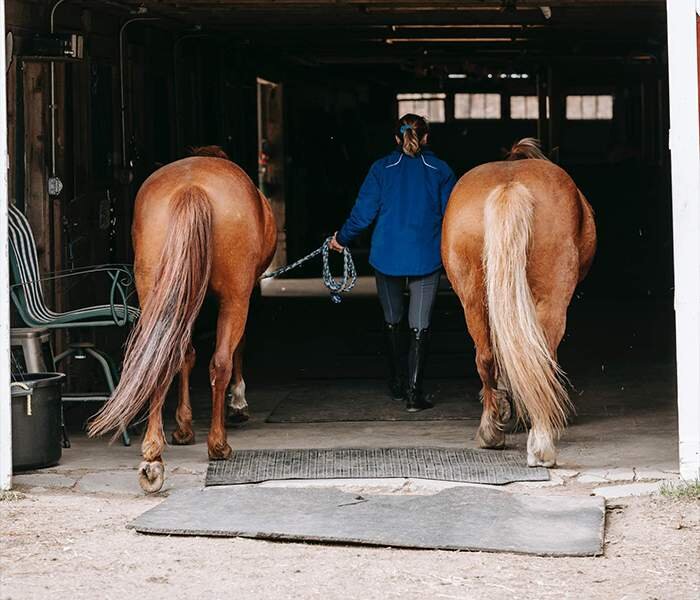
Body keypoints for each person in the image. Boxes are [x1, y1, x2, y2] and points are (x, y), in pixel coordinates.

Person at [329, 114, 456, 412]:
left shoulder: (380, 169)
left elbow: (363, 214)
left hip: (386, 257)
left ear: (397, 139)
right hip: (426, 257)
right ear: (425, 139)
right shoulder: (441, 170)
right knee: (420, 326)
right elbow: (453, 216)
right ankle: (415, 394)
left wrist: (342, 239)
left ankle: (397, 384)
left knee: (391, 320)